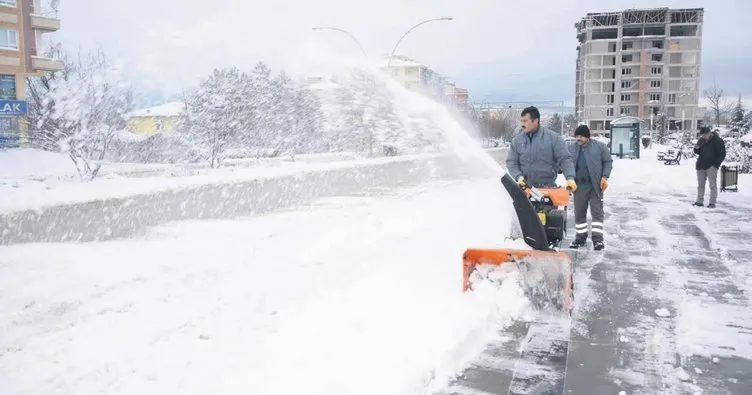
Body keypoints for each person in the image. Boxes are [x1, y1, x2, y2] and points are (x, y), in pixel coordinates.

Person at [506, 106, 577, 191]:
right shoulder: (517, 141)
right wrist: (518, 177)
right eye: (521, 121)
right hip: (526, 190)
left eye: (525, 121)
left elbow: (565, 159)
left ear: (535, 121)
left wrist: (570, 178)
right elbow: (511, 162)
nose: (522, 124)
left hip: (548, 191)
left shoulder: (553, 138)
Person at [567, 125, 613, 251]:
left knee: (597, 214)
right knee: (579, 215)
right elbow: (565, 163)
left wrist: (604, 177)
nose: (578, 138)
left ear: (587, 136)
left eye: (581, 136)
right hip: (578, 187)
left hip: (595, 186)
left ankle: (598, 240)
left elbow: (608, 162)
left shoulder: (599, 147)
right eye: (577, 136)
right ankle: (580, 238)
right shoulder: (571, 148)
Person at [693, 126, 726, 208]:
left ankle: (712, 203)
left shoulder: (718, 141)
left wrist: (715, 166)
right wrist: (696, 149)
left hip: (711, 166)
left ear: (709, 133)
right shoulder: (701, 140)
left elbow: (722, 154)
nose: (703, 137)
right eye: (702, 136)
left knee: (712, 185)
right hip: (700, 165)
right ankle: (699, 202)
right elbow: (698, 151)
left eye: (704, 135)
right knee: (700, 185)